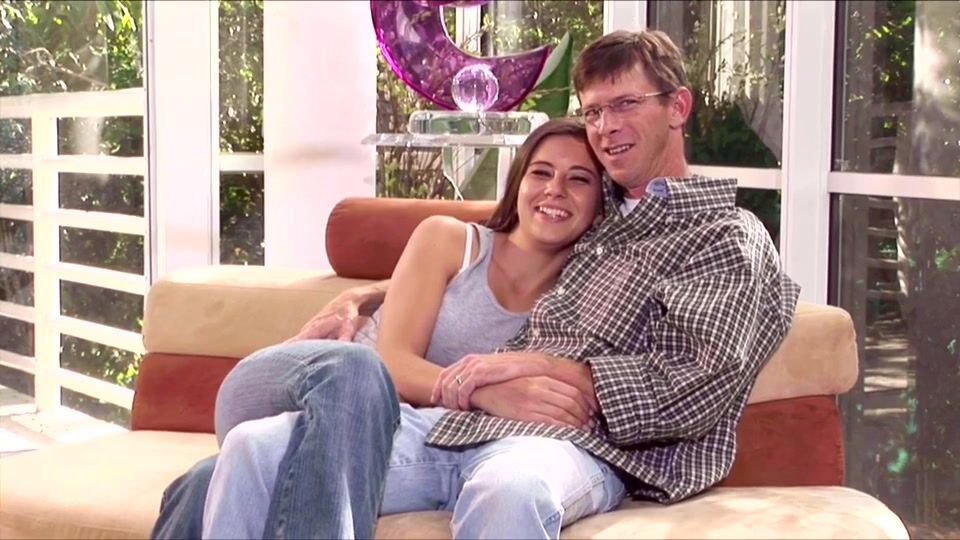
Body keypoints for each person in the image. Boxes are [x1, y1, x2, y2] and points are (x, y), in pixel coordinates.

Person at [156, 28, 802, 539]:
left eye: (626, 104)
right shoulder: (599, 218)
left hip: (577, 447)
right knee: (253, 449)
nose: (606, 127)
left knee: (508, 492)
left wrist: (536, 368)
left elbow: (697, 382)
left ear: (678, 107)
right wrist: (366, 293)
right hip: (460, 426)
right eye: (594, 111)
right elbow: (492, 239)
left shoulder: (724, 235)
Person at [152, 118, 618, 540]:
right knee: (360, 371)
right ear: (517, 184)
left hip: (376, 430)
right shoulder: (449, 240)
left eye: (578, 179)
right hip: (305, 381)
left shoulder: (583, 293)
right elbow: (391, 364)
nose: (555, 189)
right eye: (541, 173)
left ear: (601, 205)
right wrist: (481, 391)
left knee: (207, 484)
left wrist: (372, 291)